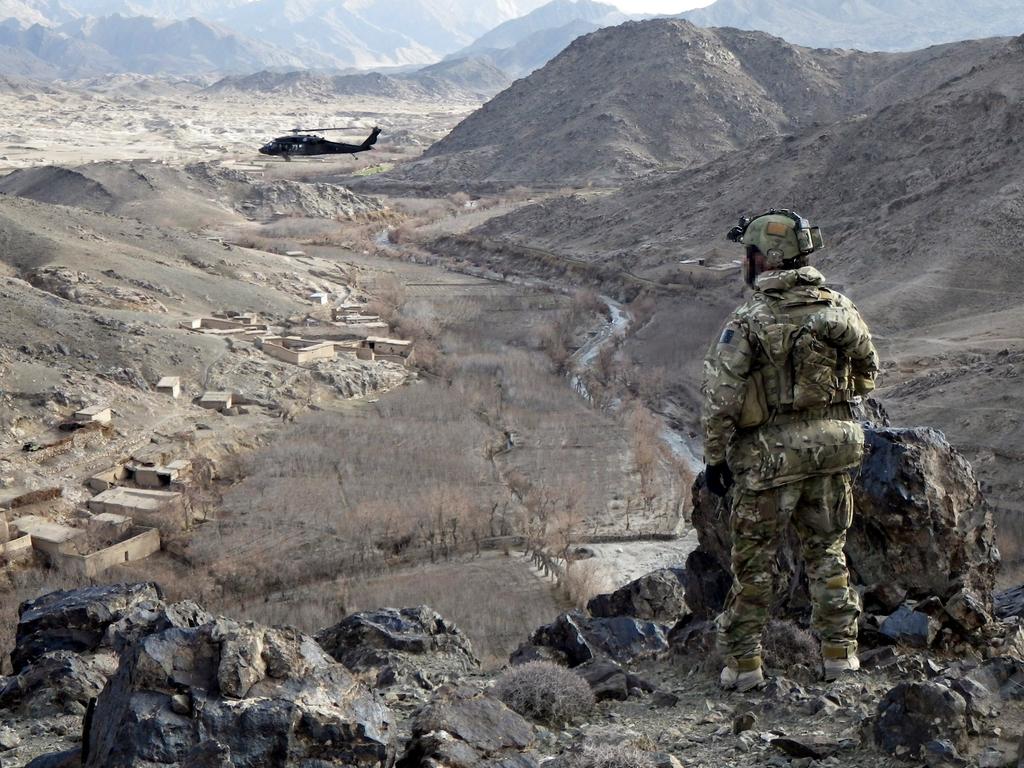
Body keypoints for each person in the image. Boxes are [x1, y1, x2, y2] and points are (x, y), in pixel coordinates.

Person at [701, 209, 879, 691]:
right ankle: (841, 657)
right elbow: (868, 372)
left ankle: (744, 666)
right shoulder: (840, 308)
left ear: (766, 259)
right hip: (836, 449)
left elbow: (722, 399)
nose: (747, 261)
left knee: (755, 564)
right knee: (827, 553)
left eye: (750, 253)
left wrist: (714, 459)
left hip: (770, 460)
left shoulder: (750, 319)